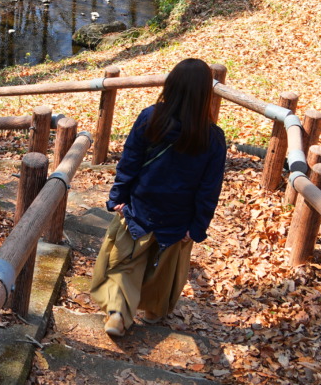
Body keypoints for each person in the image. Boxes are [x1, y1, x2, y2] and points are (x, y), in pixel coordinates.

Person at [88, 58, 227, 337]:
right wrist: (197, 226)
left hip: (141, 205)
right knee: (164, 270)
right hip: (178, 215)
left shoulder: (150, 117)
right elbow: (209, 188)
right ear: (205, 94)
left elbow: (130, 161)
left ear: (170, 85)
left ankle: (117, 313)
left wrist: (118, 196)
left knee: (126, 260)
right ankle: (153, 312)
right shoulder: (212, 136)